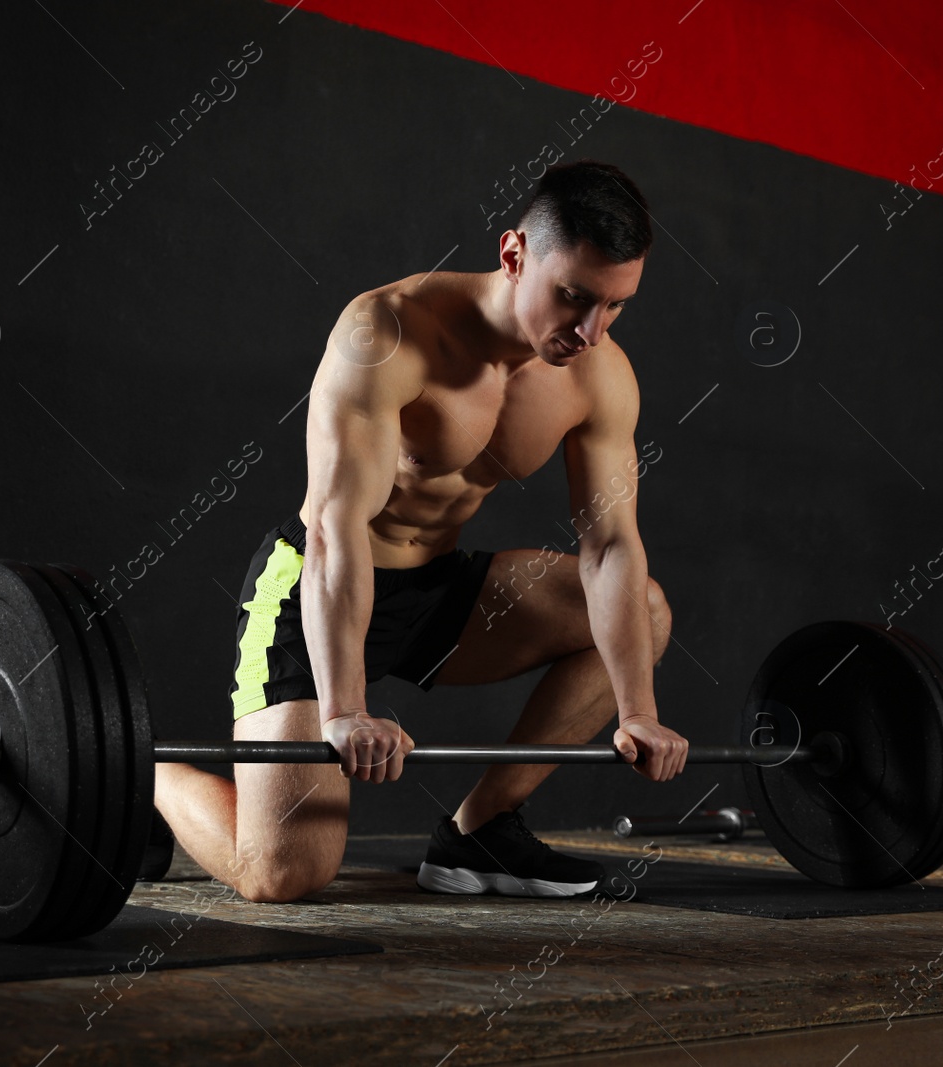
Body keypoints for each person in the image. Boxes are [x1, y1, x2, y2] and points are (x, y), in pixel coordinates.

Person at [151, 159, 689, 900]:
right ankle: (143, 777)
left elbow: (611, 547)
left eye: (616, 307)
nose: (591, 330)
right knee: (281, 873)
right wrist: (343, 710)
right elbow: (336, 527)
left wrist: (638, 711)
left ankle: (479, 832)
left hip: (436, 592)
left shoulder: (599, 375)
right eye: (574, 298)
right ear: (513, 255)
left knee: (647, 611)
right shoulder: (386, 333)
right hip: (315, 590)